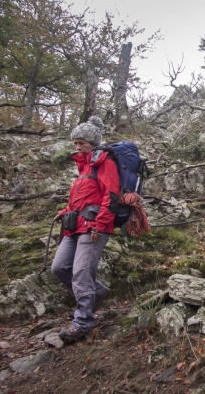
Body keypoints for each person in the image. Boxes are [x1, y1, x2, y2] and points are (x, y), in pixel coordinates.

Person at [51, 116, 119, 342]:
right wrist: (65, 210)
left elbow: (111, 197)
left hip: (94, 227)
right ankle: (97, 292)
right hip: (75, 225)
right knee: (60, 268)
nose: (77, 147)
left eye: (82, 142)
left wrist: (100, 225)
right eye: (75, 143)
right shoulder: (83, 166)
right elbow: (82, 197)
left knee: (81, 272)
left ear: (93, 142)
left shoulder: (105, 162)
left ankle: (83, 321)